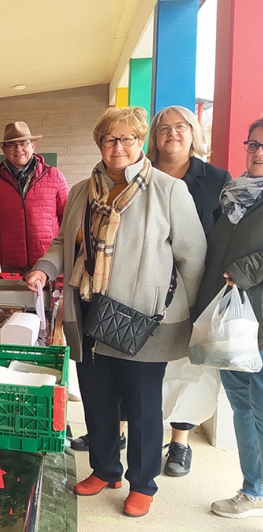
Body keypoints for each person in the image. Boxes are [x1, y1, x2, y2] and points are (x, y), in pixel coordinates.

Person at [25, 107, 206, 518]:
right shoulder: (80, 192)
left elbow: (193, 258)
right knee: (97, 399)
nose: (118, 147)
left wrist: (183, 313)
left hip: (142, 318)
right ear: (100, 144)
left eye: (127, 139)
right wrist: (44, 268)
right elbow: (61, 244)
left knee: (143, 407)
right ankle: (106, 469)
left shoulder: (167, 190)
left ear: (141, 142)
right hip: (88, 312)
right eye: (110, 139)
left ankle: (143, 482)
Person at [149, 105, 232, 477]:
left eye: (180, 127)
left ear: (193, 132)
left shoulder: (216, 178)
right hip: (144, 286)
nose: (172, 133)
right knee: (135, 358)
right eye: (164, 128)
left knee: (188, 365)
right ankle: (121, 431)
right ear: (154, 136)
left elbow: (225, 232)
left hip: (195, 285)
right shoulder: (141, 174)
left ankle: (179, 443)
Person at [198, 118, 263, 519]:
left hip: (257, 322)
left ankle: (255, 489)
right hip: (229, 321)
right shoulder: (237, 194)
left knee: (258, 406)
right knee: (241, 405)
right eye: (253, 144)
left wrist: (246, 271)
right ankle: (252, 486)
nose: (258, 152)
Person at [0, 121, 69, 273]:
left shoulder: (54, 175)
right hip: (10, 264)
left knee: (48, 298)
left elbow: (67, 218)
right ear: (4, 149)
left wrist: (69, 253)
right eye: (11, 145)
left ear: (33, 145)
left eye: (23, 143)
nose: (18, 149)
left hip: (49, 262)